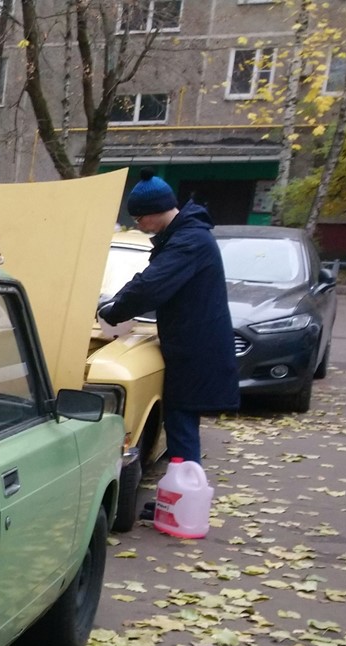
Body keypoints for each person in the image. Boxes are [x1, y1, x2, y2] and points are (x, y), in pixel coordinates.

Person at [98, 171, 239, 473]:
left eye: (139, 218)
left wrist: (111, 311)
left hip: (195, 350)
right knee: (180, 423)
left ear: (155, 211)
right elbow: (151, 282)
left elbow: (151, 286)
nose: (139, 225)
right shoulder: (187, 236)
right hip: (193, 346)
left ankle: (183, 497)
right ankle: (179, 495)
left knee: (181, 423)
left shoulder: (189, 241)